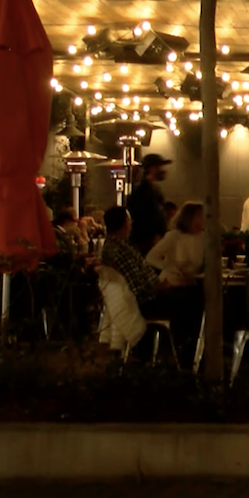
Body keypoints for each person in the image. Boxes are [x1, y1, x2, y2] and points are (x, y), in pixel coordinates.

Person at [100, 206, 202, 359]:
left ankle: (180, 350)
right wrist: (160, 286)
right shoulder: (120, 250)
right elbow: (137, 287)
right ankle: (186, 352)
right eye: (129, 220)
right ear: (123, 224)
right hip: (146, 301)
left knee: (190, 297)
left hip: (144, 296)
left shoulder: (115, 247)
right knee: (193, 303)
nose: (131, 224)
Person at [145, 202, 205, 287]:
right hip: (171, 285)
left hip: (191, 284)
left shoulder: (203, 238)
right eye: (199, 215)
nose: (203, 218)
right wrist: (171, 268)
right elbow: (151, 257)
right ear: (190, 217)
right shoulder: (174, 236)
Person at [127, 154, 171, 254]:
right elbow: (143, 217)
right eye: (160, 166)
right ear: (152, 168)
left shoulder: (153, 189)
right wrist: (154, 235)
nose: (163, 170)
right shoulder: (142, 192)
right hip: (147, 244)